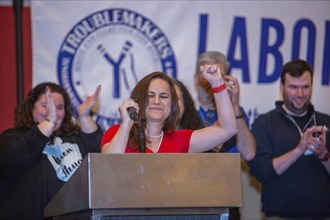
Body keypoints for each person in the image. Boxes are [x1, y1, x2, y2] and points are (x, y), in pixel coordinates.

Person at [0, 82, 103, 219]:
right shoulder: (12, 138)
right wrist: (49, 121)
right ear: (31, 108)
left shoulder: (72, 138)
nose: (53, 111)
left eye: (59, 107)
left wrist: (84, 116)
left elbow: (98, 156)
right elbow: (11, 164)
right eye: (46, 106)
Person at [248, 59, 330, 219]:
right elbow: (261, 172)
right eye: (293, 87)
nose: (300, 94)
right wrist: (299, 150)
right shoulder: (265, 124)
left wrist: (324, 155)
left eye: (305, 87)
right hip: (279, 216)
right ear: (281, 87)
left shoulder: (325, 122)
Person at [101, 68, 237, 154]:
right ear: (138, 100)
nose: (157, 101)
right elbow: (108, 166)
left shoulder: (180, 139)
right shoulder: (116, 133)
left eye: (164, 96)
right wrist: (126, 125)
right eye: (150, 95)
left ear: (173, 106)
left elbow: (228, 129)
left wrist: (218, 84)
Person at [194, 51, 255, 160]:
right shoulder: (185, 109)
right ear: (196, 79)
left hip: (226, 173)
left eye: (216, 75)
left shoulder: (235, 112)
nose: (210, 80)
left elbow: (248, 154)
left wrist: (234, 107)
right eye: (206, 74)